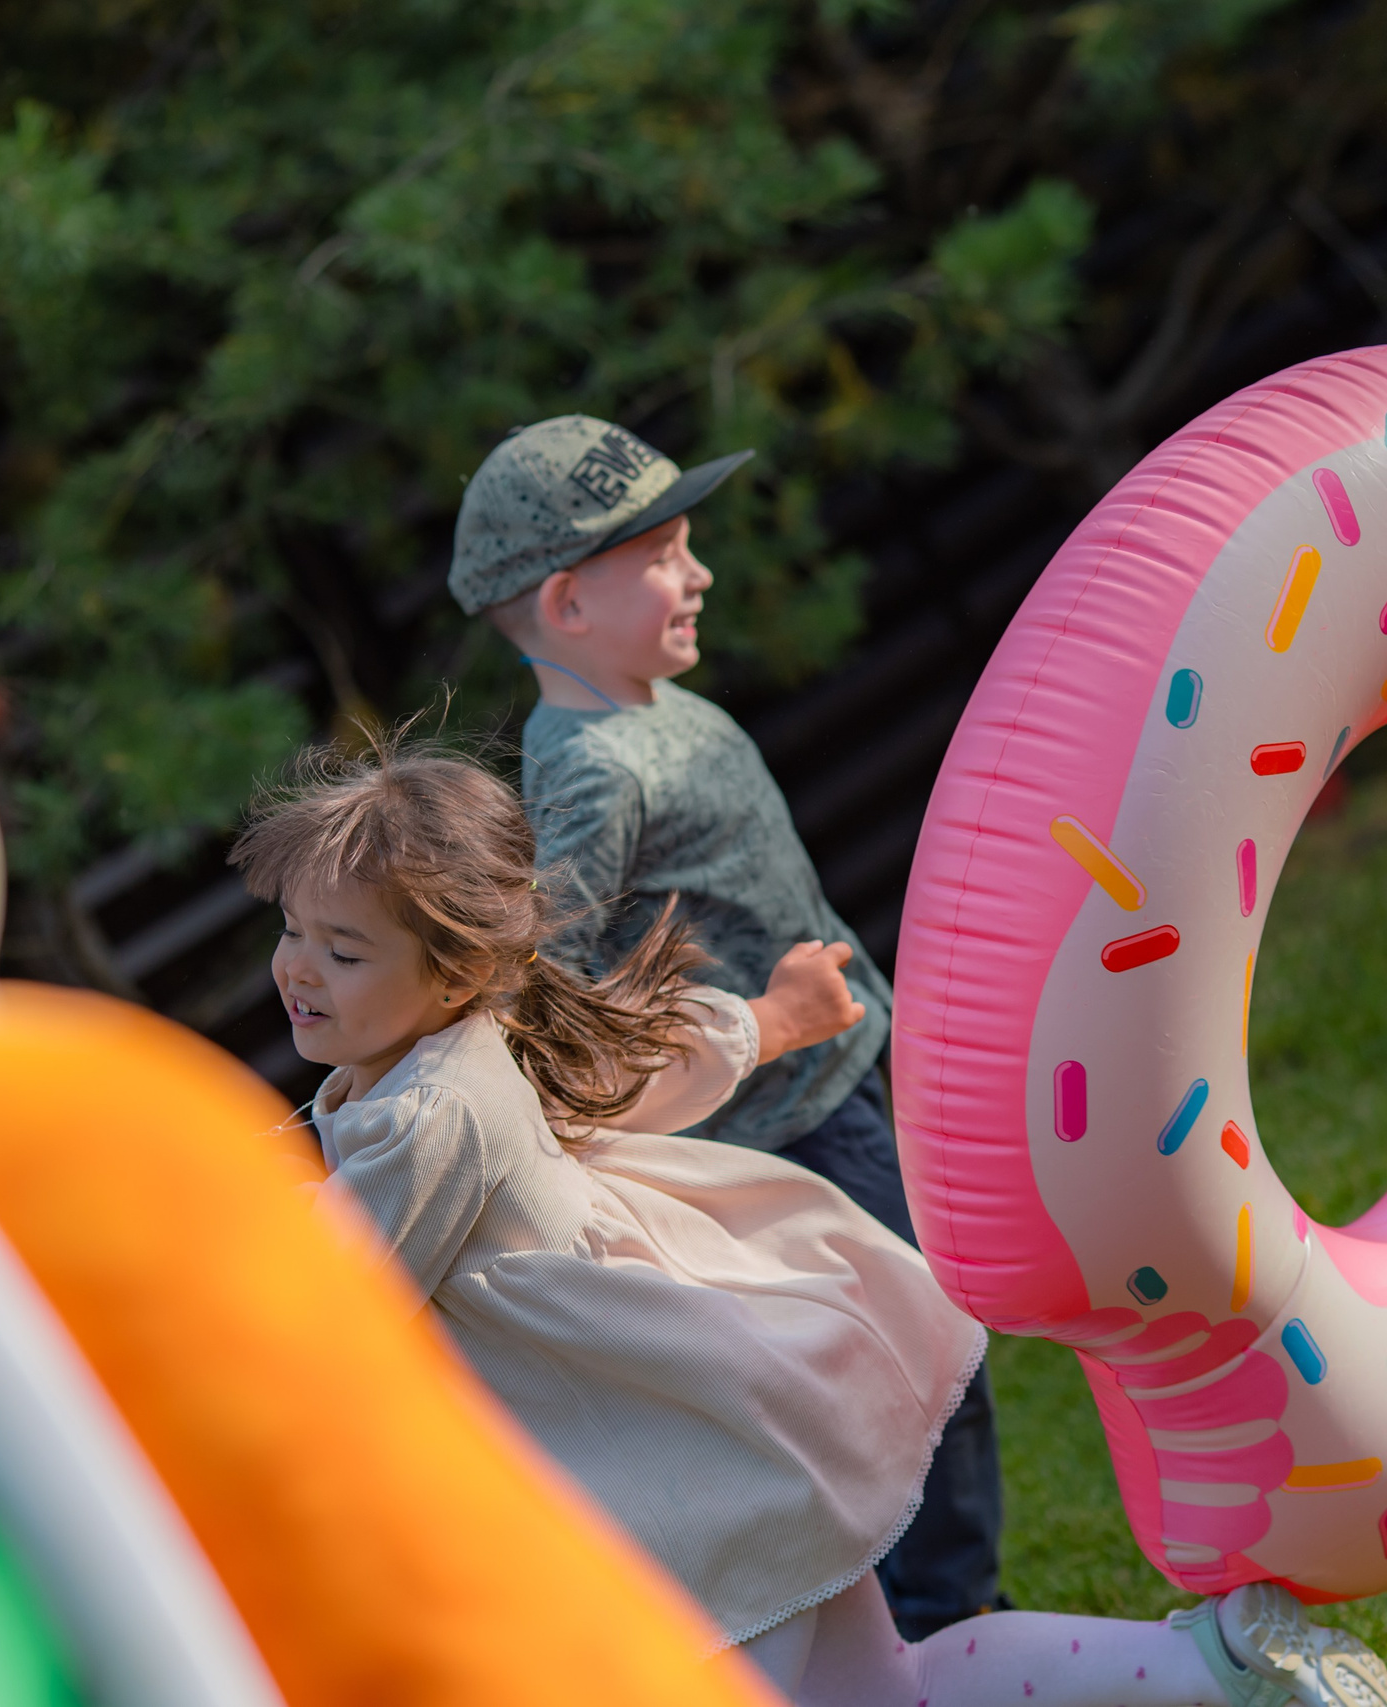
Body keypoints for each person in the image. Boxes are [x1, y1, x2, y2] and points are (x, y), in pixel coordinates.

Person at [226, 745, 1387, 1707]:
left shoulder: (431, 1111)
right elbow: (631, 1079)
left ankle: (1218, 1665)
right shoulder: (444, 1068)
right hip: (698, 1453)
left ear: (456, 974)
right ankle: (1215, 1661)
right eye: (291, 931)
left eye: (343, 949)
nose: (299, 971)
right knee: (892, 1692)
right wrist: (772, 1023)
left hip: (660, 1487)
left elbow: (328, 1292)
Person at [446, 412, 1010, 1636]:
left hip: (849, 1067)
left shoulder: (649, 704)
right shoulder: (592, 770)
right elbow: (563, 993)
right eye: (662, 558)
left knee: (941, 1328)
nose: (696, 575)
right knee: (921, 1352)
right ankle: (944, 1619)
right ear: (567, 604)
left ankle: (938, 1610)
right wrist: (765, 1024)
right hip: (784, 1121)